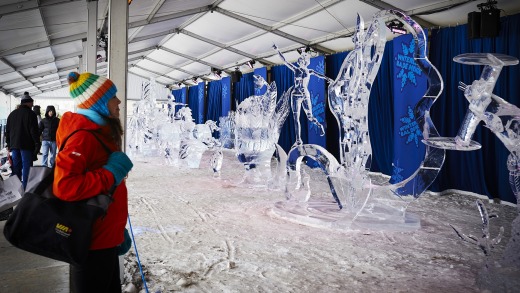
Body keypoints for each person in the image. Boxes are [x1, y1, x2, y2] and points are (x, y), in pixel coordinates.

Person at [54, 72, 133, 293]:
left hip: (103, 236)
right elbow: (65, 187)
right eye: (113, 97)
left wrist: (117, 231)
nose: (118, 102)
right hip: (90, 242)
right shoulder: (83, 136)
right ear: (98, 102)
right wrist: (111, 173)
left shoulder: (98, 132)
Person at [273, 44, 332, 145]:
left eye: (303, 61)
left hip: (305, 94)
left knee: (310, 116)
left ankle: (319, 125)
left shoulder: (309, 71)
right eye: (300, 60)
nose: (301, 62)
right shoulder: (295, 69)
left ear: (306, 62)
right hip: (295, 95)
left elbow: (320, 75)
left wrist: (328, 79)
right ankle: (298, 139)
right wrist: (278, 50)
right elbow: (285, 61)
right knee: (296, 118)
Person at [5, 91, 41, 189]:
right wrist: (37, 143)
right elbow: (34, 131)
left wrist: (8, 145)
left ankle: (15, 190)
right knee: (27, 168)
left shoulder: (12, 114)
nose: (33, 104)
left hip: (14, 146)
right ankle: (26, 189)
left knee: (16, 167)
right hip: (27, 146)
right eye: (32, 102)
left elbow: (7, 131)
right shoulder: (31, 114)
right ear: (28, 103)